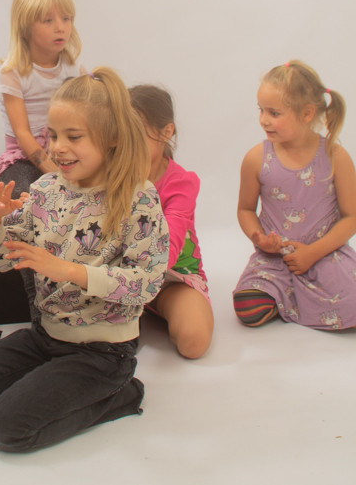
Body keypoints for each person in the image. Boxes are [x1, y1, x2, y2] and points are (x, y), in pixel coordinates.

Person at [0, 67, 169, 452]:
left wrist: (68, 271)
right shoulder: (45, 190)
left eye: (73, 137)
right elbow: (0, 263)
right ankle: (51, 380)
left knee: (4, 427)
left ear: (111, 138)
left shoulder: (138, 198)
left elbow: (146, 284)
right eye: (53, 135)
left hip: (103, 352)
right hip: (45, 336)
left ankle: (121, 394)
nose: (58, 147)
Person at [233, 60, 356, 329]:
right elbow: (245, 209)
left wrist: (312, 253)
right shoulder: (256, 158)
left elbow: (351, 217)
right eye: (261, 110)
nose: (264, 119)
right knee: (247, 307)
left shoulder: (336, 156)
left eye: (274, 113)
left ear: (307, 113)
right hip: (274, 259)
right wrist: (260, 239)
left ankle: (292, 301)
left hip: (324, 256)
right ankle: (285, 296)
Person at [130, 85, 213, 358]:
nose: (127, 143)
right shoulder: (111, 174)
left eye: (137, 133)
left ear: (166, 131)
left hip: (171, 277)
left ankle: (146, 306)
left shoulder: (181, 182)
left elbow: (170, 245)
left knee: (193, 342)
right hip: (120, 274)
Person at [0, 0, 84, 198]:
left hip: (65, 150)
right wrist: (55, 172)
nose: (60, 27)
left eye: (66, 18)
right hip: (24, 157)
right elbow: (22, 134)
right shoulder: (13, 73)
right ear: (25, 29)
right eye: (48, 20)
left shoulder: (74, 69)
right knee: (22, 192)